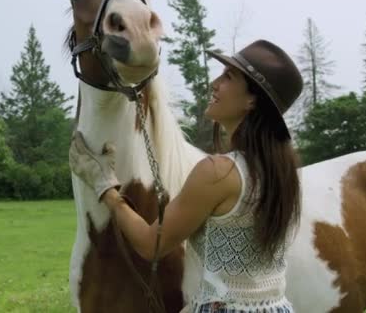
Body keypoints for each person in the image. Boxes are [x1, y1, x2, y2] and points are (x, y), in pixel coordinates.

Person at [69, 39, 303, 312]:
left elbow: (150, 245)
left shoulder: (217, 173)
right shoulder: (283, 175)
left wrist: (106, 188)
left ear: (252, 100)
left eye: (228, 77)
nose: (214, 84)